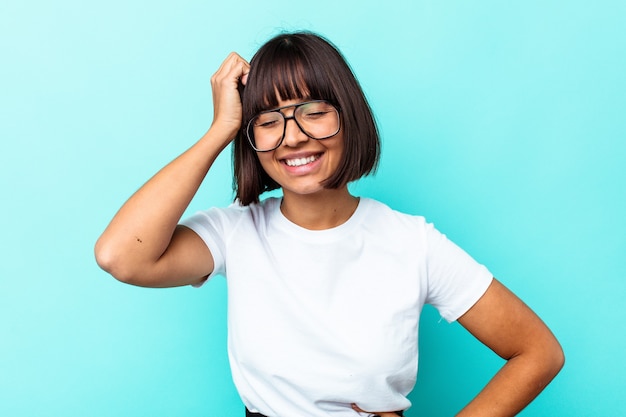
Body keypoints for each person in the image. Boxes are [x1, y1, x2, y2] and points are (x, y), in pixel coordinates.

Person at [95, 31, 564, 417]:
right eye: (267, 121)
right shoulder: (234, 233)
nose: (293, 136)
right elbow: (120, 256)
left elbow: (538, 351)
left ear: (349, 116)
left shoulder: (412, 242)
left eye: (314, 112)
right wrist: (220, 129)